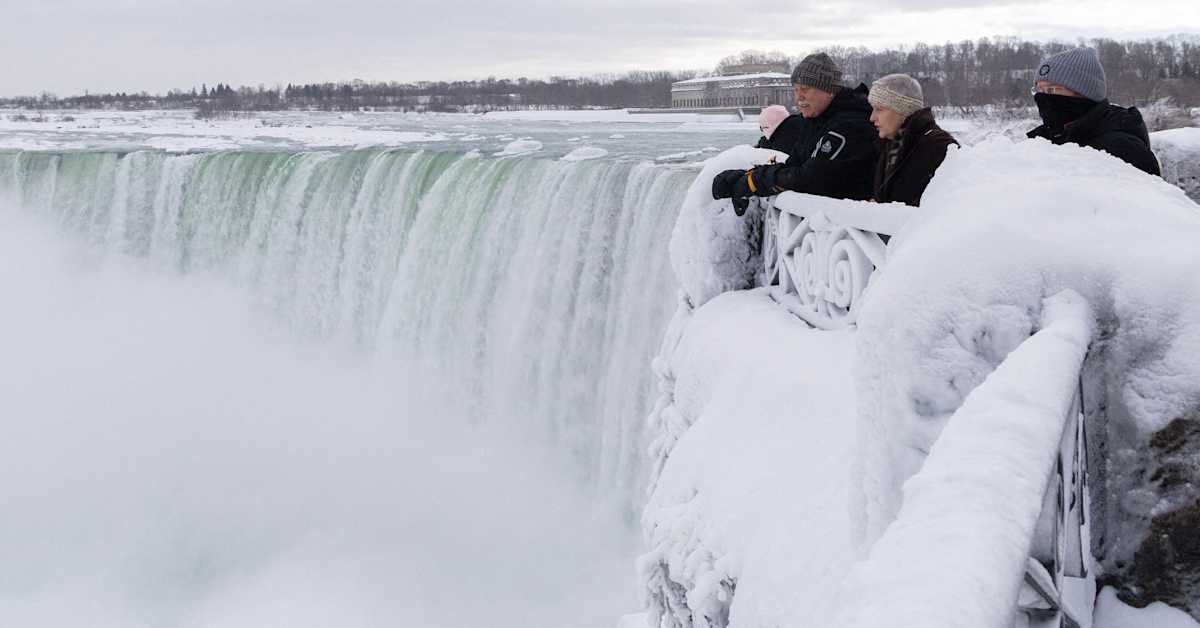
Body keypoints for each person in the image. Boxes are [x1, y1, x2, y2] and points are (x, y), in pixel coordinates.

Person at [712, 53, 878, 215]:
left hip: (853, 229)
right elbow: (793, 167)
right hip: (827, 230)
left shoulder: (850, 124)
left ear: (829, 91)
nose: (799, 97)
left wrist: (753, 182)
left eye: (805, 89)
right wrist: (748, 176)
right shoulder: (816, 121)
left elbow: (810, 179)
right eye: (796, 89)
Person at [1026, 47, 1161, 176]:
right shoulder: (1046, 137)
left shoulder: (1123, 150)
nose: (1042, 97)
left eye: (1052, 90)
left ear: (1083, 93)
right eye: (1039, 90)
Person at [868, 74, 958, 206]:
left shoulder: (939, 147)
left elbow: (946, 210)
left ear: (902, 110)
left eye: (879, 109)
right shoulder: (892, 145)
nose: (872, 118)